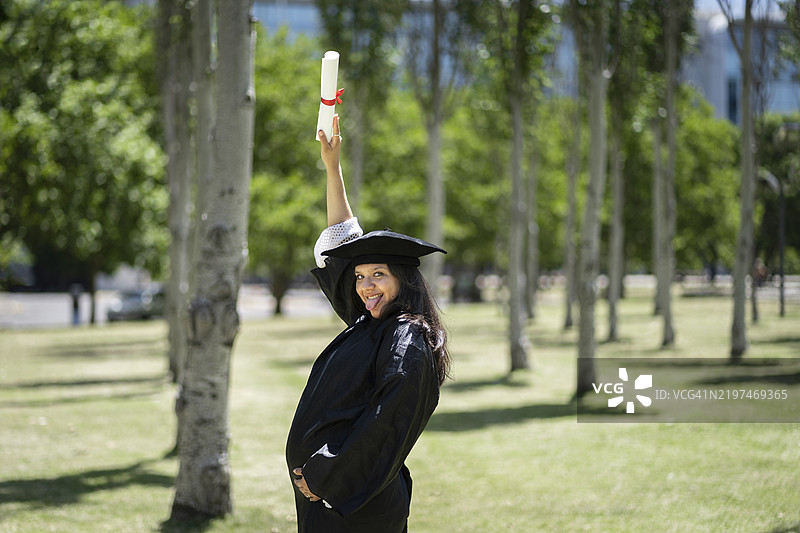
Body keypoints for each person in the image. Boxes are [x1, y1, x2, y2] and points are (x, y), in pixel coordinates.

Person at [285, 115, 450, 533]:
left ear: (402, 278)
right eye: (360, 276)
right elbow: (343, 240)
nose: (365, 286)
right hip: (332, 502)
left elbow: (388, 419)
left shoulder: (406, 336)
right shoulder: (373, 322)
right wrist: (332, 165)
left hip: (352, 503)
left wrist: (327, 476)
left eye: (378, 274)